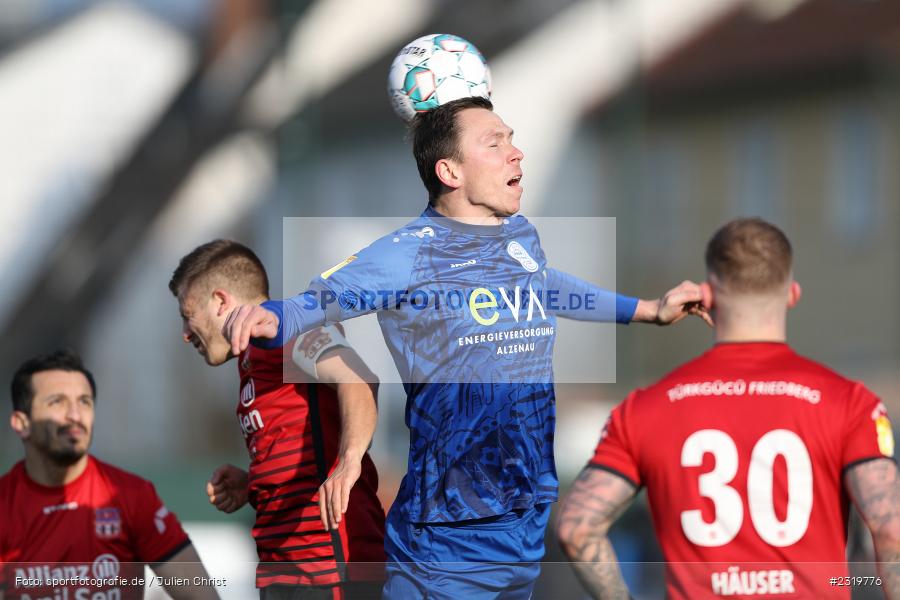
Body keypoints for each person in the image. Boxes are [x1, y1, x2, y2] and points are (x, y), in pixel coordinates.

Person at [220, 96, 709, 598]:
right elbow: (316, 302)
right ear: (449, 171)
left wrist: (648, 309)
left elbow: (546, 284)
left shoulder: (519, 236)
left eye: (512, 139)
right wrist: (269, 315)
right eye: (495, 144)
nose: (516, 153)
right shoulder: (406, 254)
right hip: (450, 529)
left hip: (525, 513)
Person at [557, 218, 900, 599]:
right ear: (792, 294)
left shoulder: (646, 408)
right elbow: (890, 529)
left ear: (707, 294)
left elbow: (577, 526)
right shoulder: (849, 403)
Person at [169, 239, 385, 600]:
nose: (186, 333)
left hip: (331, 566)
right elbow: (306, 442)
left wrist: (349, 463)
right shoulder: (252, 359)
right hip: (284, 569)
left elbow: (358, 381)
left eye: (187, 314)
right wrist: (253, 482)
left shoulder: (287, 328)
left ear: (220, 301)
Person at [0, 349, 218, 600]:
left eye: (84, 401)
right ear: (21, 423)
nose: (74, 415)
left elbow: (202, 595)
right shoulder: (5, 506)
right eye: (57, 402)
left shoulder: (132, 497)